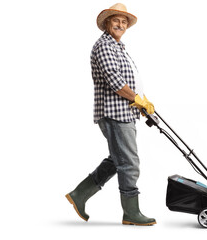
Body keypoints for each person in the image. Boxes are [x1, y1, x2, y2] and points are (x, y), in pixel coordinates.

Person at [65, 3, 156, 226]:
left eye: (124, 22)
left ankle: (79, 194)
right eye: (116, 20)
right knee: (129, 162)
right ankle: (131, 213)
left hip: (126, 112)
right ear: (107, 23)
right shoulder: (104, 46)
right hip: (114, 113)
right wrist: (136, 98)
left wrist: (143, 102)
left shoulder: (118, 47)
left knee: (119, 159)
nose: (121, 25)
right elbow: (115, 81)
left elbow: (129, 79)